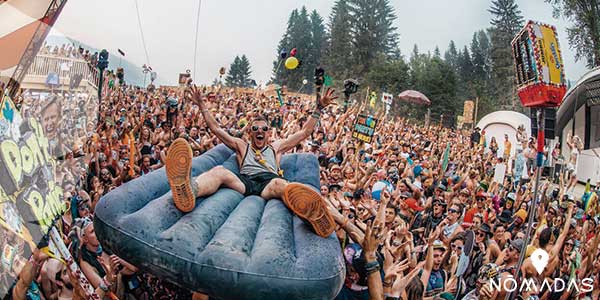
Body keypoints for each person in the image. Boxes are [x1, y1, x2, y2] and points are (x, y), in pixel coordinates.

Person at [164, 85, 338, 237]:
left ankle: (313, 215)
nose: (259, 131)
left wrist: (319, 108)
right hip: (244, 183)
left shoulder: (276, 147)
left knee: (281, 184)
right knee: (219, 171)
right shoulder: (241, 145)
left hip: (268, 183)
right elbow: (216, 128)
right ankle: (189, 191)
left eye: (263, 129)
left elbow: (304, 133)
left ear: (268, 132)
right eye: (255, 128)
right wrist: (202, 105)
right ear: (250, 132)